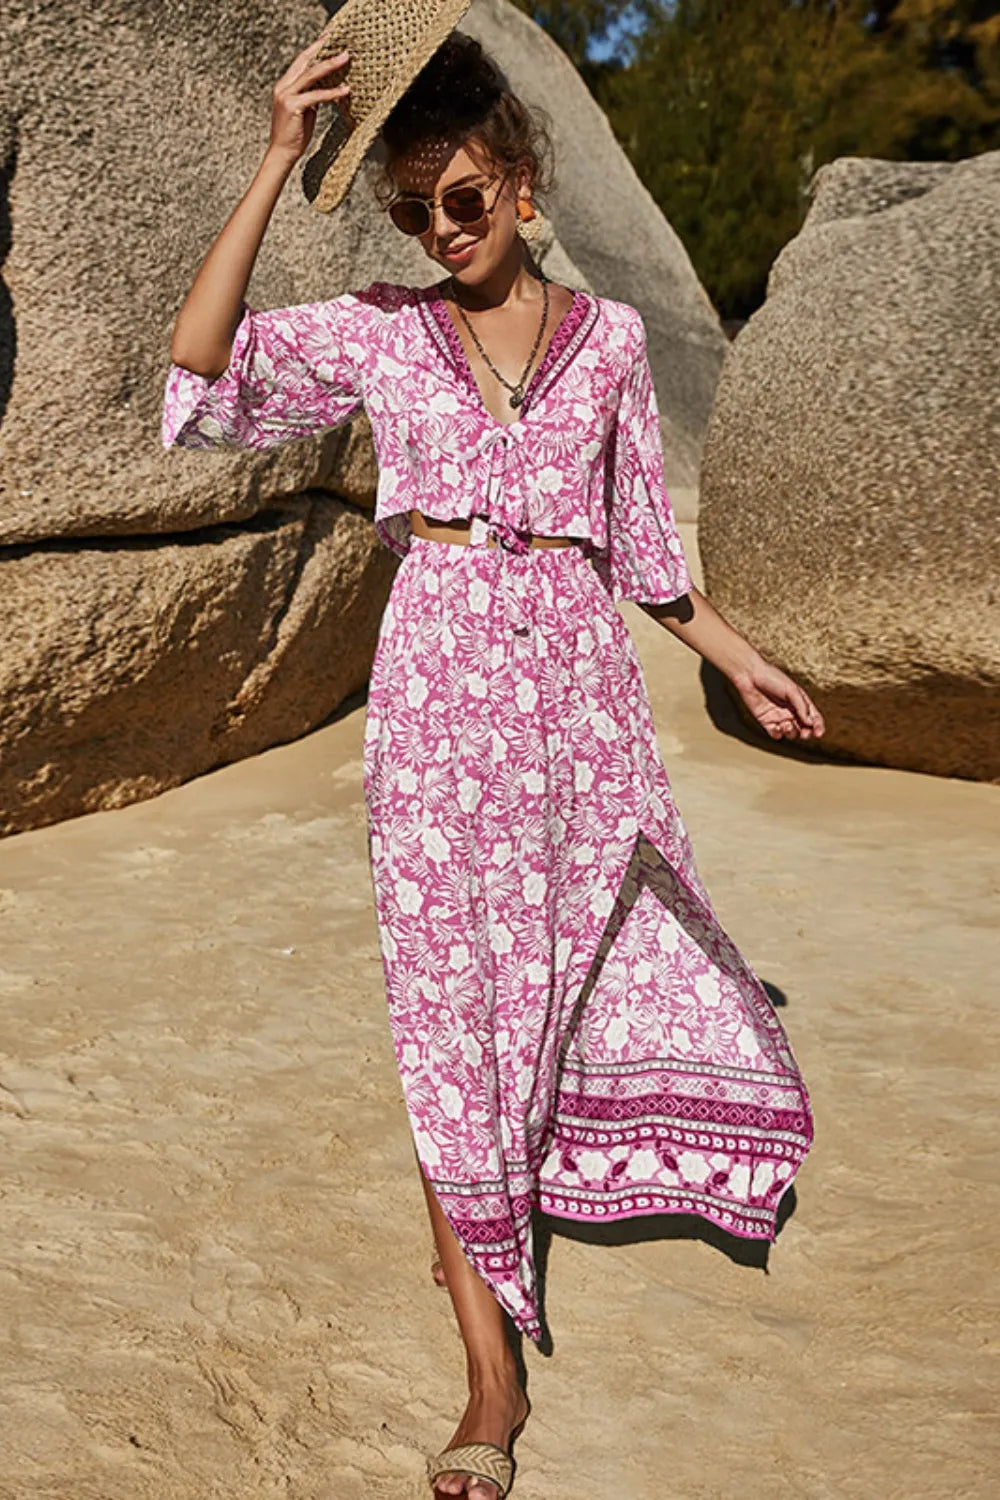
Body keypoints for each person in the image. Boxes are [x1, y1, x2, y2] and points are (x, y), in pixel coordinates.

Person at [162, 30, 823, 1500]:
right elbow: (201, 370)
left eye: (459, 200)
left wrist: (741, 657)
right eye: (411, 213)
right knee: (447, 1004)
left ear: (521, 185)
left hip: (577, 700)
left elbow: (646, 556)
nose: (437, 232)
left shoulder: (614, 348)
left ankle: (498, 1182)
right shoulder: (386, 332)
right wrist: (278, 156)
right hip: (441, 688)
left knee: (572, 956)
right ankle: (488, 1371)